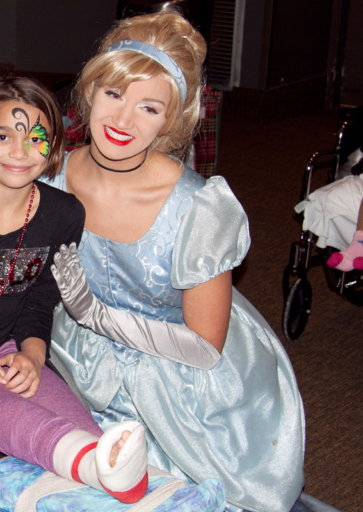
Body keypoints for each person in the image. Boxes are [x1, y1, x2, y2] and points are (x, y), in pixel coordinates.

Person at [45, 9, 305, 512]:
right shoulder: (51, 173)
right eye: (114, 94)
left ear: (172, 119)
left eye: (149, 107)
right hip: (77, 355)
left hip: (180, 377)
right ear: (91, 91)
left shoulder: (198, 208)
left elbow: (205, 348)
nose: (122, 121)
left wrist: (97, 316)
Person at [0, 76, 153, 503]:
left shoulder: (62, 214)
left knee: (80, 426)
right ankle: (91, 461)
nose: (20, 151)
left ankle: (118, 477)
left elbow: (42, 294)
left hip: (6, 351)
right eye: (3, 135)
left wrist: (33, 355)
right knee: (2, 414)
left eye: (37, 137)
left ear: (54, 146)